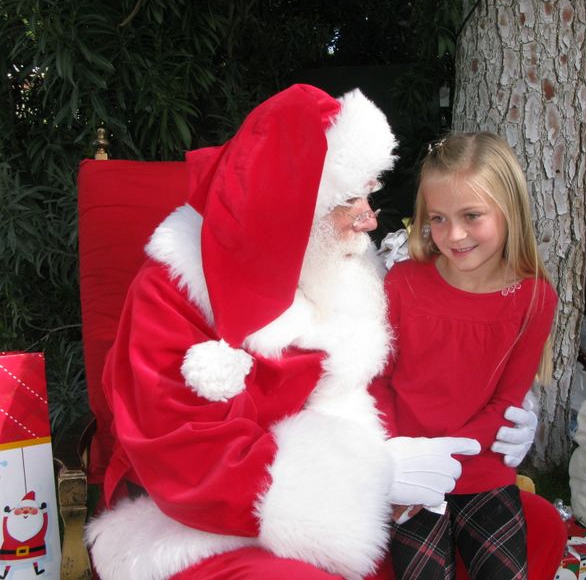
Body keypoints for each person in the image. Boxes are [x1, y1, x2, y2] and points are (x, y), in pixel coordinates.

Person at [84, 85, 540, 580]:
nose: (369, 219)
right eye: (349, 200)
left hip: (360, 494)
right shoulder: (173, 294)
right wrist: (368, 478)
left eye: (369, 194)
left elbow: (410, 372)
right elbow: (191, 464)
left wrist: (507, 409)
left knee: (536, 529)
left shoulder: (343, 266)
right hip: (208, 526)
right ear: (287, 204)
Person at [370, 132, 564, 580]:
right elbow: (378, 381)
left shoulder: (534, 297)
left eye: (471, 216)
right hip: (410, 468)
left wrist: (446, 457)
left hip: (482, 471)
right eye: (438, 218)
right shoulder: (402, 283)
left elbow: (506, 403)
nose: (454, 235)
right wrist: (399, 460)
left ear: (509, 210)